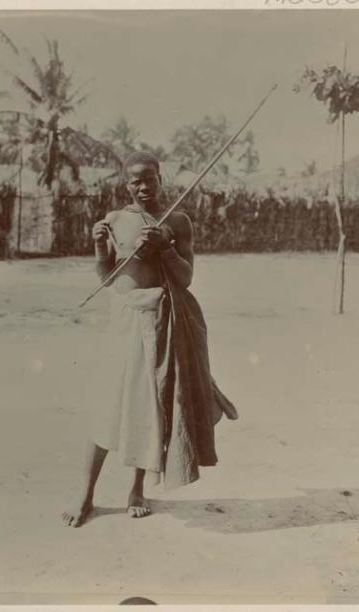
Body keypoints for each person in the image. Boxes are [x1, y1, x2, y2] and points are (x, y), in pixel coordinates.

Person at [62, 152, 237, 528]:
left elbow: (186, 277)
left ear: (161, 179)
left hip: (164, 321)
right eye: (134, 181)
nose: (142, 187)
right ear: (125, 184)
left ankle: (136, 489)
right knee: (107, 406)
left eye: (149, 179)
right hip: (126, 322)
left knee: (151, 406)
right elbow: (109, 279)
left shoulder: (177, 220)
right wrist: (97, 248)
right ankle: (86, 494)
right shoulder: (114, 221)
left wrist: (165, 246)